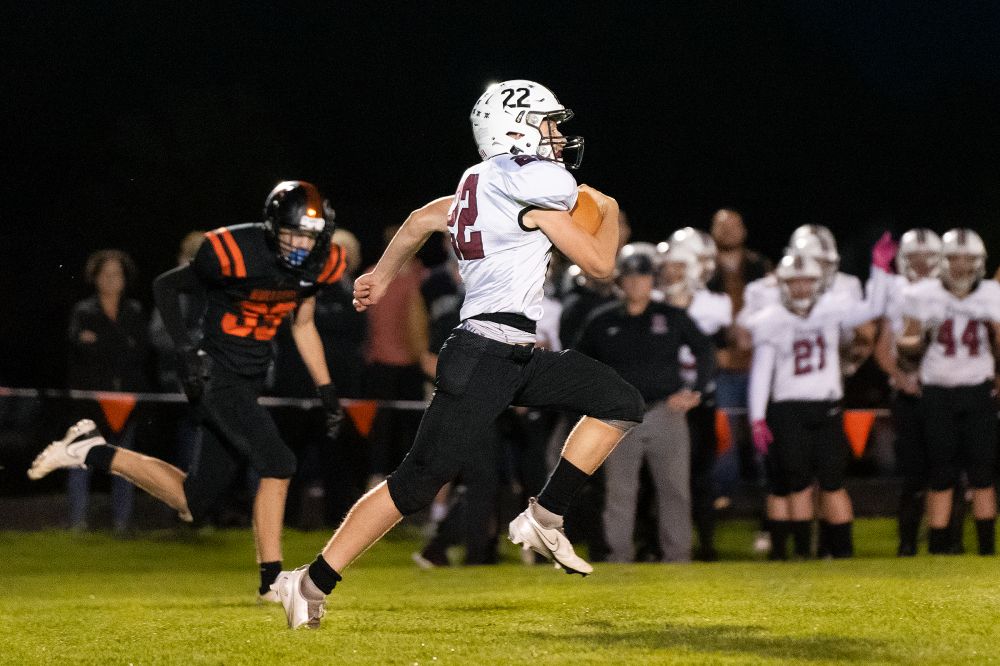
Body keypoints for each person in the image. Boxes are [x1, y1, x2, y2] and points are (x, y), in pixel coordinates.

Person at [271, 79, 644, 629]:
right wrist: (609, 209)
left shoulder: (484, 182)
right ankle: (308, 582)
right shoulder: (530, 192)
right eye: (549, 124)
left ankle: (544, 514)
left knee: (619, 400)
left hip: (513, 352)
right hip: (483, 355)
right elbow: (601, 265)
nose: (559, 135)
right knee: (416, 484)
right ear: (516, 129)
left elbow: (423, 219)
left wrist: (381, 271)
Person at [29, 181, 348, 599]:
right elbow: (165, 286)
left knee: (191, 502)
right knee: (279, 462)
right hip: (215, 374)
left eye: (310, 235)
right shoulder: (236, 250)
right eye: (294, 233)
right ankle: (272, 581)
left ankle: (89, 450)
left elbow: (302, 324)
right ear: (272, 227)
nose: (301, 244)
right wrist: (184, 352)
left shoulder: (318, 263)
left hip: (247, 380)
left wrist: (326, 388)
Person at [746, 238, 893, 560]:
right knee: (798, 483)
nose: (800, 288)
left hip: (826, 407)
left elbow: (874, 308)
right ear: (783, 285)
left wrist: (879, 271)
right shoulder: (770, 317)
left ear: (819, 282)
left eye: (807, 281)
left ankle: (842, 552)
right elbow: (761, 371)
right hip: (787, 409)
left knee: (833, 482)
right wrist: (757, 417)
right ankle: (803, 553)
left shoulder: (833, 306)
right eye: (794, 282)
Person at [577, 245, 714, 562]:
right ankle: (617, 558)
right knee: (620, 493)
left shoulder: (671, 317)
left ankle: (678, 557)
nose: (637, 284)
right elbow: (579, 362)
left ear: (652, 281)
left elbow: (704, 350)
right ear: (620, 282)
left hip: (665, 412)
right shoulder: (601, 320)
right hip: (619, 417)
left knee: (675, 490)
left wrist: (696, 391)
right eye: (631, 278)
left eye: (643, 278)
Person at [897, 228, 999, 556]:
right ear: (942, 261)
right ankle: (938, 547)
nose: (961, 265)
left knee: (982, 473)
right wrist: (918, 339)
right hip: (938, 391)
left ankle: (987, 548)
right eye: (954, 258)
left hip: (978, 389)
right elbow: (905, 349)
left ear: (980, 262)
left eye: (968, 259)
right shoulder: (923, 294)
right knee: (940, 472)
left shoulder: (990, 294)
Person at [656, 236, 732, 560]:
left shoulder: (714, 304)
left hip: (700, 401)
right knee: (657, 478)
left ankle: (706, 544)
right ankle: (656, 544)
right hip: (663, 400)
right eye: (669, 264)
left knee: (701, 476)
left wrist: (696, 390)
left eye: (679, 265)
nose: (671, 271)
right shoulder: (655, 301)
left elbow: (721, 354)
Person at [65, 249, 150, 533]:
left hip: (126, 399)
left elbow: (139, 351)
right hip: (91, 400)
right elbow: (79, 347)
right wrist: (117, 344)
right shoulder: (83, 310)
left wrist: (101, 342)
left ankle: (122, 524)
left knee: (124, 464)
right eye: (106, 274)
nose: (112, 280)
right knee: (81, 459)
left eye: (117, 274)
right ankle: (77, 522)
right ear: (95, 278)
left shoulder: (134, 311)